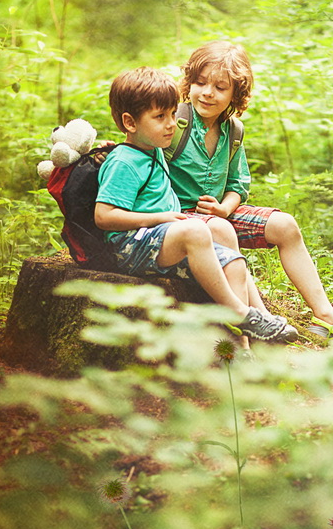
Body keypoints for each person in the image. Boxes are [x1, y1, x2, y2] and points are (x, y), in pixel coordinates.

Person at [167, 40, 333, 339]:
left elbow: (237, 185)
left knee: (285, 225)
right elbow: (140, 157)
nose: (207, 92)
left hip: (218, 216)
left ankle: (325, 316)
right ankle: (259, 322)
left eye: (220, 87)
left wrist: (224, 208)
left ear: (235, 94)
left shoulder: (233, 130)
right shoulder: (174, 122)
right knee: (220, 229)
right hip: (180, 221)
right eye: (200, 83)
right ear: (189, 83)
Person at [94, 66, 298, 344]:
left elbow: (236, 184)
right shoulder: (124, 161)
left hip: (160, 239)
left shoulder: (154, 149)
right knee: (195, 230)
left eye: (172, 114)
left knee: (232, 257)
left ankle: (243, 345)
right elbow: (104, 216)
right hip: (130, 245)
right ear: (130, 122)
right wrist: (158, 217)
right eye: (160, 117)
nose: (171, 124)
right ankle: (241, 313)